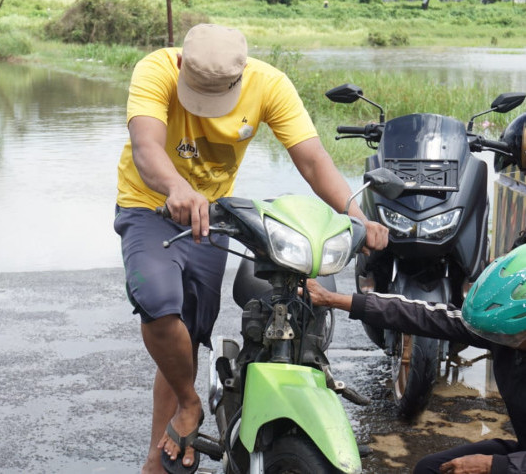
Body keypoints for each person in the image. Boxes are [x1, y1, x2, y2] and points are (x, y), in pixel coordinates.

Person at [113, 23, 388, 474]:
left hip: (214, 217)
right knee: (158, 304)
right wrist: (176, 189)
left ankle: (156, 456)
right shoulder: (155, 69)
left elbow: (313, 159)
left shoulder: (269, 84)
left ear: (240, 78)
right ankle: (188, 405)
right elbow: (145, 147)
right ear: (181, 64)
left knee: (187, 335)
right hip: (150, 205)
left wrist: (356, 216)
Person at [306, 245, 526, 474]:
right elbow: (422, 315)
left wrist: (495, 466)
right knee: (430, 468)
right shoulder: (501, 332)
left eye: (515, 335)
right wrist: (333, 299)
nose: (503, 339)